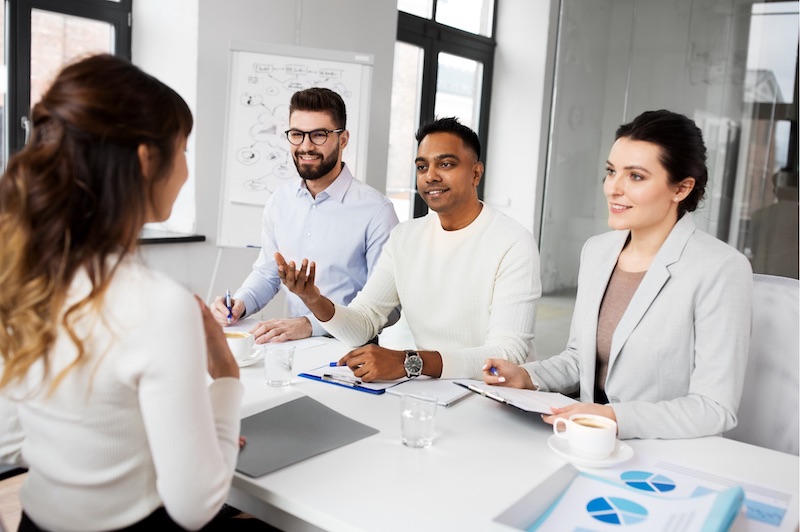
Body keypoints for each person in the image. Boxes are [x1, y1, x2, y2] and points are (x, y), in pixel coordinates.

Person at [0, 55, 253, 531]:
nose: (185, 170)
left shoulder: (23, 275)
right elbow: (195, 506)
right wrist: (225, 376)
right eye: (182, 150)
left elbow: (11, 434)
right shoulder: (158, 304)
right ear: (145, 159)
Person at [482, 110, 753, 440]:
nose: (613, 188)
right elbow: (580, 359)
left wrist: (613, 417)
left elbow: (714, 407)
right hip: (584, 438)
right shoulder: (597, 251)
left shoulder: (720, 268)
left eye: (635, 176)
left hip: (661, 452)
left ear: (681, 188)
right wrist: (528, 376)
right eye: (611, 172)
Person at [276, 117, 541, 380]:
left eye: (446, 164)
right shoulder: (405, 237)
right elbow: (363, 323)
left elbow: (508, 354)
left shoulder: (513, 242)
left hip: (498, 393)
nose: (431, 176)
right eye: (422, 167)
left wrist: (410, 362)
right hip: (433, 389)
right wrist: (313, 298)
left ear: (476, 173)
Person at [212, 87, 399, 344]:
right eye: (297, 135)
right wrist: (240, 303)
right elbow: (268, 274)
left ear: (343, 139)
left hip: (351, 351)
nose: (306, 146)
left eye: (319, 135)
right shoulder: (280, 202)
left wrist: (311, 324)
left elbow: (389, 308)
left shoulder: (376, 211)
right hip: (292, 346)